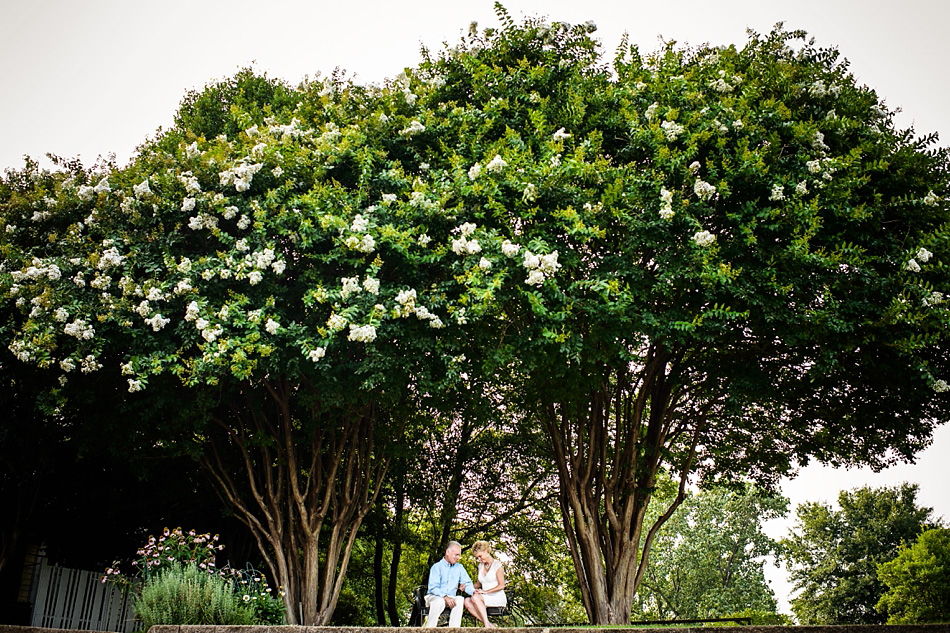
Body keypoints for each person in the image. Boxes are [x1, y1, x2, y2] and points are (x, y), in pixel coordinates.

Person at [424, 541, 475, 627]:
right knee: (439, 601)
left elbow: (468, 583)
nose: (458, 557)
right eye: (456, 554)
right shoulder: (436, 567)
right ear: (448, 552)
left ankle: (454, 629)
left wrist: (473, 591)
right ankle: (429, 629)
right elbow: (433, 588)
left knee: (460, 599)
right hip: (435, 596)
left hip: (451, 598)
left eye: (459, 555)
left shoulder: (459, 568)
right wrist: (445, 596)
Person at [464, 540, 506, 628]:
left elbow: (501, 585)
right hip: (484, 596)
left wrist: (485, 592)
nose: (479, 559)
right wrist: (466, 586)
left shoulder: (497, 565)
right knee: (467, 601)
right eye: (477, 558)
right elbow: (478, 583)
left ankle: (486, 625)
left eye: (480, 556)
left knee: (475, 597)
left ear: (486, 551)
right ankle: (489, 625)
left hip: (496, 596)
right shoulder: (480, 566)